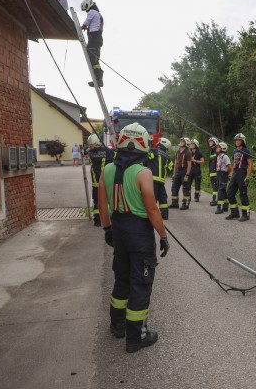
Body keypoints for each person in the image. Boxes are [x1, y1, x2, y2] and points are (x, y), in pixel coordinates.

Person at [98, 122, 169, 353]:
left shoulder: (107, 169)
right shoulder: (143, 172)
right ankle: (136, 337)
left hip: (118, 228)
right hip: (138, 232)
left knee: (122, 278)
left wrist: (107, 228)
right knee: (140, 283)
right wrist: (163, 235)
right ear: (143, 145)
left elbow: (102, 204)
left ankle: (117, 325)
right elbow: (152, 210)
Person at [87, 134, 115, 226]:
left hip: (96, 182)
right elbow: (115, 155)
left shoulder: (90, 153)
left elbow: (93, 150)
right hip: (107, 181)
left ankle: (97, 221)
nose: (90, 147)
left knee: (97, 201)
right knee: (111, 200)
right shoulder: (107, 151)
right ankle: (113, 218)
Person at [225, 133, 253, 222]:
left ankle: (246, 214)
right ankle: (235, 213)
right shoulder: (234, 151)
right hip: (235, 174)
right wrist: (231, 174)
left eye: (239, 140)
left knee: (243, 194)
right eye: (236, 140)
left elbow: (251, 165)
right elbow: (234, 164)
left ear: (243, 141)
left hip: (242, 174)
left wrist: (247, 177)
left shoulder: (246, 151)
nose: (237, 142)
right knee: (229, 193)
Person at [148, 137, 174, 220]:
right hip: (161, 181)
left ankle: (152, 215)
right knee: (163, 198)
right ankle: (164, 215)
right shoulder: (167, 156)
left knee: (153, 197)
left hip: (152, 179)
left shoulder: (152, 151)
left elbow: (146, 159)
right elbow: (170, 168)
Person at [81, 0, 104, 87]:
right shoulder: (98, 14)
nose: (86, 11)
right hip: (97, 39)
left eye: (86, 9)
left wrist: (82, 27)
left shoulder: (92, 12)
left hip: (94, 38)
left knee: (92, 59)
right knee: (95, 61)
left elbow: (86, 22)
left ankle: (98, 80)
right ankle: (98, 80)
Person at [170, 137, 192, 210]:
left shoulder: (188, 152)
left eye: (183, 141)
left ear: (186, 143)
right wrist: (174, 173)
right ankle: (174, 203)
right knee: (174, 187)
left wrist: (187, 174)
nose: (181, 142)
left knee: (185, 188)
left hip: (184, 171)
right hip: (178, 171)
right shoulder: (178, 151)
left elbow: (189, 165)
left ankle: (185, 204)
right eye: (181, 141)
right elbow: (176, 163)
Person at [214, 141, 232, 214]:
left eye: (218, 147)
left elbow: (229, 167)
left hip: (223, 174)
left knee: (221, 190)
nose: (217, 148)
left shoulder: (225, 157)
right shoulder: (218, 156)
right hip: (219, 173)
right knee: (223, 190)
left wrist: (226, 174)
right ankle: (225, 206)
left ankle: (219, 207)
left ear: (223, 148)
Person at [207, 137, 219, 206]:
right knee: (214, 187)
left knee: (215, 187)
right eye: (209, 142)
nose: (209, 143)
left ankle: (215, 200)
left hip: (216, 173)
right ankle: (215, 200)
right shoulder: (211, 151)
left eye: (211, 142)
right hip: (212, 172)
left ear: (215, 142)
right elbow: (210, 163)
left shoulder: (216, 150)